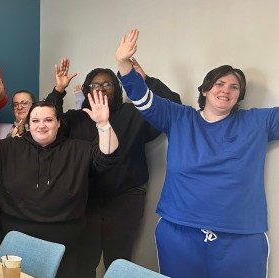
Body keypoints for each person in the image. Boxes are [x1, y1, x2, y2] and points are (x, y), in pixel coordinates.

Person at [116, 29, 278, 277]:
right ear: (205, 90)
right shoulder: (180, 117)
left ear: (239, 96)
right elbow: (144, 99)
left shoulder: (258, 121)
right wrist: (123, 63)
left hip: (241, 235)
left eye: (234, 87)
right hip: (179, 231)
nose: (226, 90)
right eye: (219, 84)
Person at [44, 57, 181, 276]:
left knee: (117, 261)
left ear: (116, 88)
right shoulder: (76, 118)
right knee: (84, 260)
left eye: (107, 83)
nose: (101, 88)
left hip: (125, 199)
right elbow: (45, 120)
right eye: (95, 84)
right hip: (85, 200)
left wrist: (145, 81)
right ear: (87, 90)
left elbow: (173, 106)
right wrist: (58, 91)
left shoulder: (134, 114)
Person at [0, 93, 118, 278]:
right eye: (36, 120)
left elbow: (107, 157)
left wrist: (103, 124)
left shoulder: (79, 149)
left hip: (67, 244)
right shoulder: (9, 147)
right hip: (16, 241)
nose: (41, 125)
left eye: (48, 120)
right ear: (29, 124)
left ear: (58, 123)